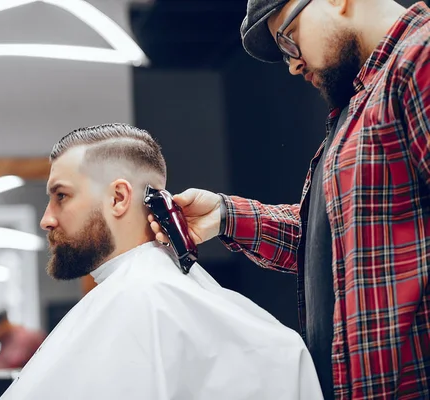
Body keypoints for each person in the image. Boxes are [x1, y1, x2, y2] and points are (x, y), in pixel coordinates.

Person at [150, 1, 430, 399]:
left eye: (289, 39)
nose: (293, 65)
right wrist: (225, 216)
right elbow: (336, 245)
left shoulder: (420, 58)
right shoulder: (359, 107)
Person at [0, 123, 323, 400]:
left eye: (61, 196)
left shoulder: (146, 297)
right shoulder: (149, 293)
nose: (46, 219)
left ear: (118, 198)